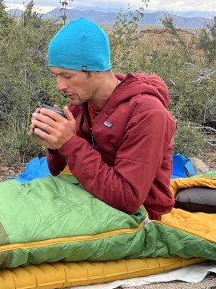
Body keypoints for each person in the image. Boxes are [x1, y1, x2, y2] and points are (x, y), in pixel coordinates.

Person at [29, 17, 176, 220]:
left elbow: (128, 199)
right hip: (94, 202)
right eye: (56, 75)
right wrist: (54, 142)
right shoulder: (80, 105)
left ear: (96, 69)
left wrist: (70, 143)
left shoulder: (147, 113)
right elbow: (56, 170)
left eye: (67, 76)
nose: (59, 86)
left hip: (141, 218)